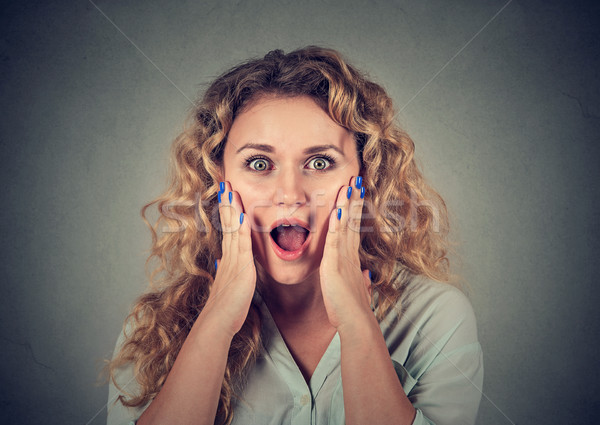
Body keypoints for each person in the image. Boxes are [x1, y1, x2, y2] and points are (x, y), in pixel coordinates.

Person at [106, 46, 483, 425]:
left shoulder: (434, 317)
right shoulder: (157, 328)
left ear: (364, 177)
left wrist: (357, 325)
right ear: (219, 180)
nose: (290, 193)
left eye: (320, 163)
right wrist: (216, 323)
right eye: (258, 163)